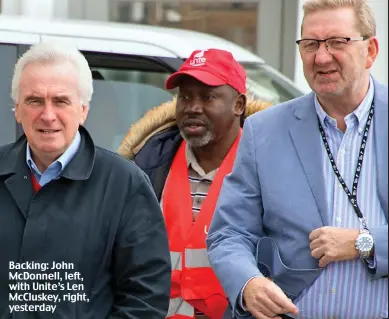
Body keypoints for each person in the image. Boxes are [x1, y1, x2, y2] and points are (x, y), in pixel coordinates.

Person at [206, 1, 388, 319]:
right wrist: (248, 283)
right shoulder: (264, 130)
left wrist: (365, 242)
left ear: (370, 50)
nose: (321, 57)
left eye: (337, 42)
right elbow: (229, 232)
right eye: (311, 44)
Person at [0, 42, 171, 318]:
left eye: (60, 101)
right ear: (17, 110)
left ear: (83, 110)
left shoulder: (124, 184)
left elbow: (145, 299)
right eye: (34, 101)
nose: (48, 115)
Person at [117, 48, 270, 319]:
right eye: (184, 96)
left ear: (239, 105)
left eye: (208, 96)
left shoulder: (268, 169)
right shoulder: (147, 166)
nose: (192, 107)